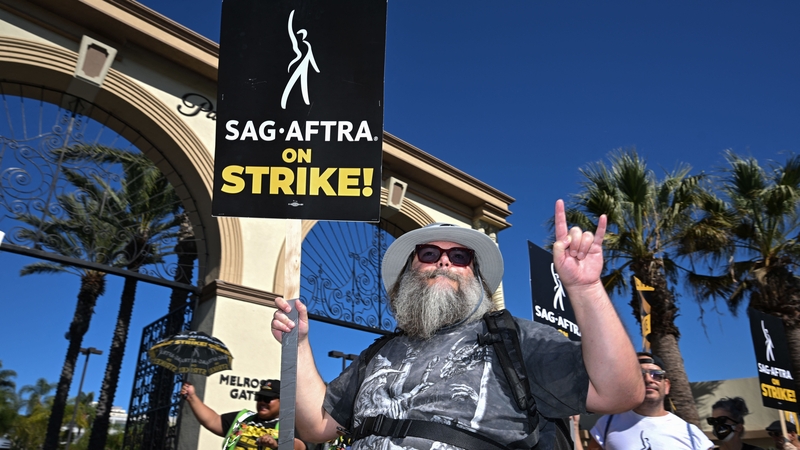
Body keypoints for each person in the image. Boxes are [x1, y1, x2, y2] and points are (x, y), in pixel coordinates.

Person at [271, 200, 644, 449]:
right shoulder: (378, 354)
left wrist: (585, 288)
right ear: (409, 272)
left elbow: (619, 393)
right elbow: (317, 427)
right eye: (429, 253)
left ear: (476, 277)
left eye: (460, 256)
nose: (444, 261)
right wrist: (299, 345)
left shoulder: (513, 338)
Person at [587, 352, 714, 450]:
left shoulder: (690, 432)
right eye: (640, 374)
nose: (648, 379)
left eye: (657, 374)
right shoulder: (607, 424)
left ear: (667, 386)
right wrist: (576, 427)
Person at [180, 379, 307, 450]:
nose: (262, 402)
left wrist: (276, 445)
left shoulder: (289, 425)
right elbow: (212, 420)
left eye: (268, 399)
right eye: (259, 397)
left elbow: (299, 446)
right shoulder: (243, 417)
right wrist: (192, 397)